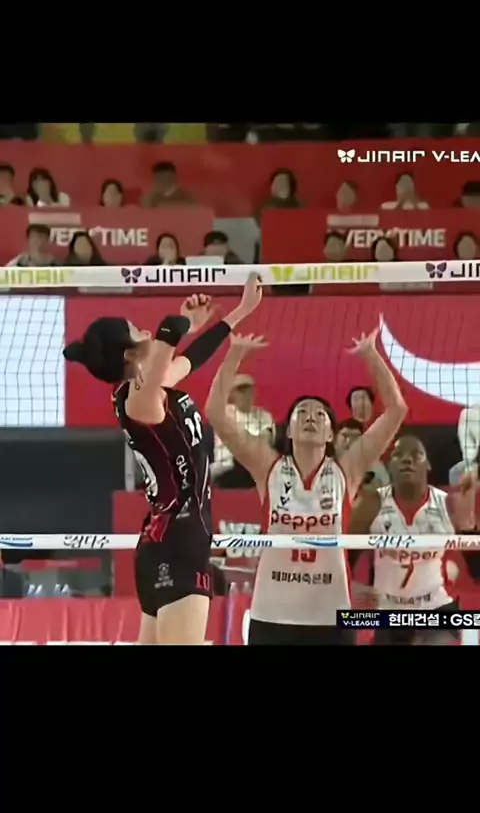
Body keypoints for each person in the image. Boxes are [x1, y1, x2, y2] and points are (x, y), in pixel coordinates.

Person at [63, 274, 262, 645]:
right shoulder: (139, 400)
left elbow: (192, 356)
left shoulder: (149, 389)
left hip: (165, 541)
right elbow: (170, 329)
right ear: (128, 353)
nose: (143, 330)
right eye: (135, 330)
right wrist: (182, 322)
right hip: (180, 543)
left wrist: (239, 313)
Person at [205, 318, 407, 645]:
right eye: (302, 412)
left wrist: (371, 354)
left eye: (319, 414)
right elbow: (215, 411)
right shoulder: (267, 465)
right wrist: (235, 354)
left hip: (331, 615)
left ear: (330, 434)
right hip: (271, 614)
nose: (310, 416)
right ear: (288, 429)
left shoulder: (346, 469)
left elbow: (396, 409)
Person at [348, 434, 476, 646]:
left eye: (416, 455)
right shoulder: (372, 503)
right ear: (389, 465)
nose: (407, 459)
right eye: (398, 455)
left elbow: (474, 565)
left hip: (437, 608)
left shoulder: (449, 504)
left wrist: (470, 524)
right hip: (388, 611)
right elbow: (342, 547)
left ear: (428, 465)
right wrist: (350, 584)